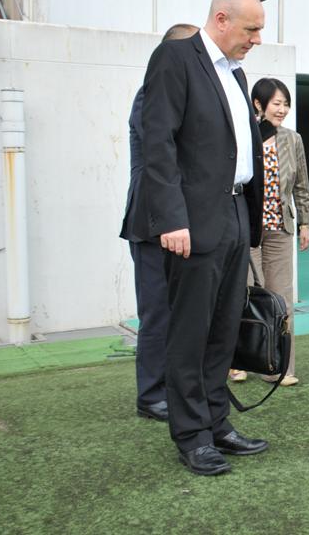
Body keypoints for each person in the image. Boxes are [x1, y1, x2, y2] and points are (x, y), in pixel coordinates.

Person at [136, 0, 268, 476]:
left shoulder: (235, 72)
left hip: (234, 215)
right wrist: (171, 217)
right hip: (192, 219)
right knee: (190, 332)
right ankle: (191, 436)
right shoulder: (176, 57)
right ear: (220, 19)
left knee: (223, 329)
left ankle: (217, 423)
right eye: (250, 29)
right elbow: (158, 141)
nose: (256, 39)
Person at [120, 23, 198, 422]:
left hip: (176, 217)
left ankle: (172, 386)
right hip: (153, 220)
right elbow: (160, 161)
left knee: (179, 310)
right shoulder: (154, 93)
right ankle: (152, 395)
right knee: (157, 310)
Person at [227, 78, 309, 387]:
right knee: (242, 296)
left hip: (280, 228)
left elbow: (301, 185)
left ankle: (277, 365)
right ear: (258, 105)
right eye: (276, 103)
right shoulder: (242, 134)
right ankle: (236, 363)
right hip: (246, 229)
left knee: (281, 298)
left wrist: (305, 222)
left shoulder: (293, 139)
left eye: (286, 103)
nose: (283, 109)